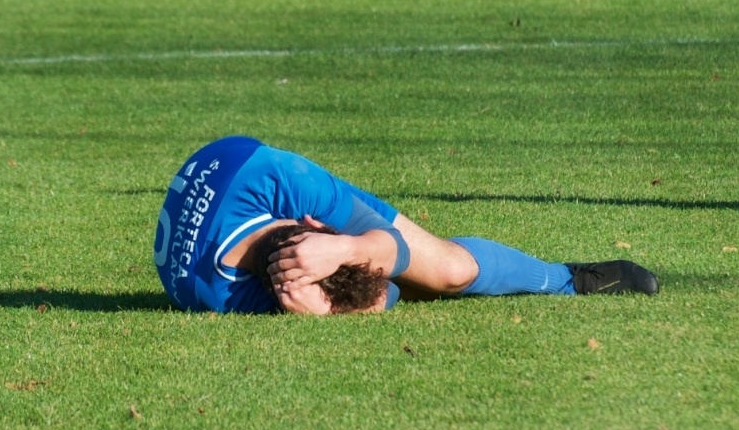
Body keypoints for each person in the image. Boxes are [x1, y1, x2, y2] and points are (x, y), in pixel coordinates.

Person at [154, 135, 659, 315]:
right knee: (395, 288)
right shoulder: (219, 297)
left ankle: (567, 279)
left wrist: (350, 248)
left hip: (246, 167)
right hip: (236, 192)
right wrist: (323, 314)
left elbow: (389, 244)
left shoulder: (295, 186)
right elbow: (377, 297)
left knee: (449, 272)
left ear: (315, 224)